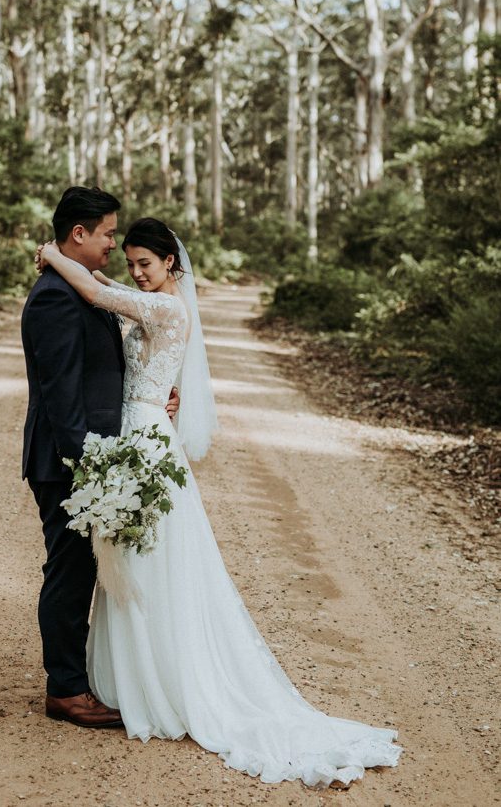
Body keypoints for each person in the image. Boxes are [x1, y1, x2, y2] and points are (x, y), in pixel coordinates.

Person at [37, 217, 403, 789]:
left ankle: (168, 683)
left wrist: (51, 255)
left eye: (146, 264)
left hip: (146, 440)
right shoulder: (154, 302)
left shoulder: (167, 307)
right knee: (130, 563)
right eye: (130, 262)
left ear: (171, 265)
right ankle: (124, 679)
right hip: (136, 430)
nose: (135, 272)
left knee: (152, 564)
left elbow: (96, 293)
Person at [20, 188, 178, 730]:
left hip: (97, 453)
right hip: (69, 460)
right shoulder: (54, 298)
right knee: (68, 570)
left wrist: (155, 398)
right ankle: (65, 690)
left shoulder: (78, 289)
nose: (114, 243)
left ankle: (76, 679)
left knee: (84, 567)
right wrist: (85, 468)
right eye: (109, 234)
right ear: (79, 234)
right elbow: (63, 396)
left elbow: (107, 362)